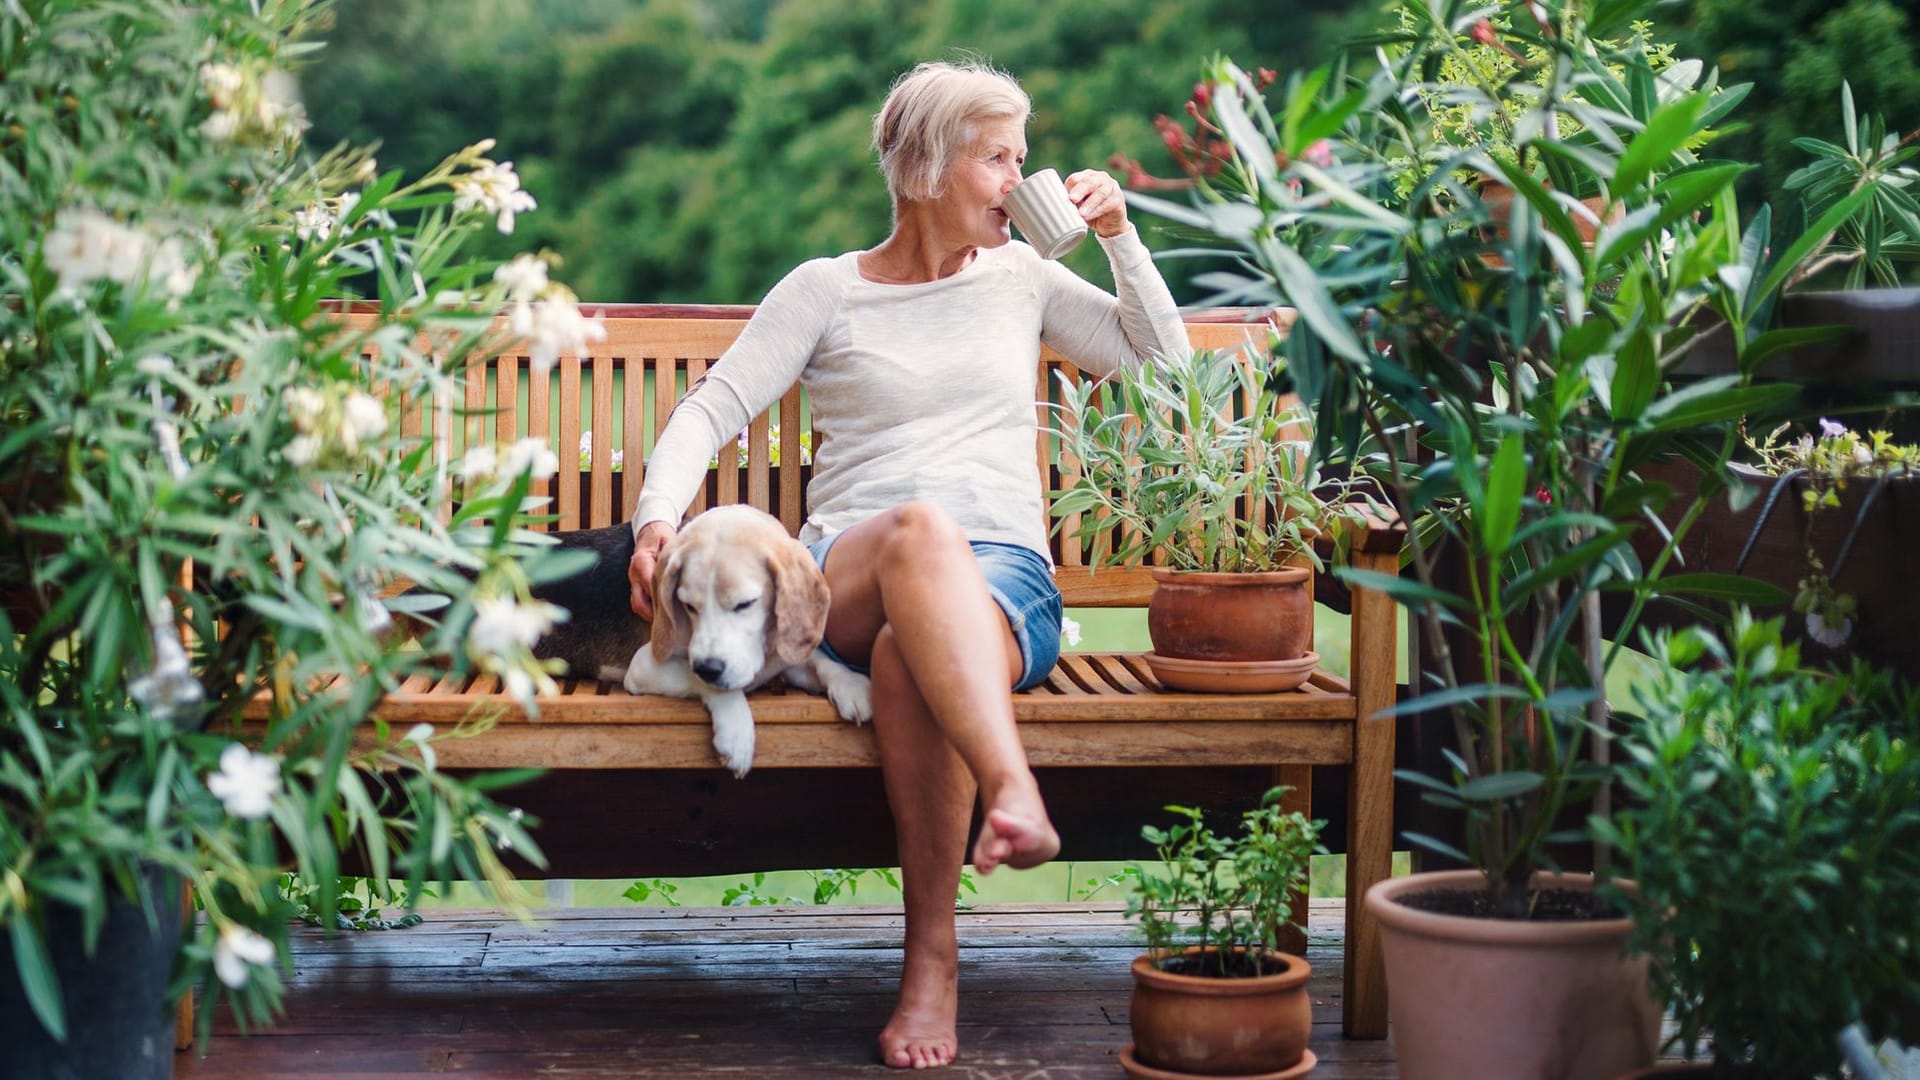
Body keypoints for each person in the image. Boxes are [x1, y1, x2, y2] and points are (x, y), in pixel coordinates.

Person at [626, 59, 1191, 1070]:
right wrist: (653, 524)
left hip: (1003, 578)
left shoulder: (1024, 279)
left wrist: (1119, 237)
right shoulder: (825, 292)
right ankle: (1014, 790)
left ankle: (932, 964)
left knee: (903, 660)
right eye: (998, 158)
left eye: (1024, 158)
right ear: (927, 167)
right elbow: (710, 409)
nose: (1022, 181)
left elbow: (1166, 374)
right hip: (845, 569)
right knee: (920, 532)